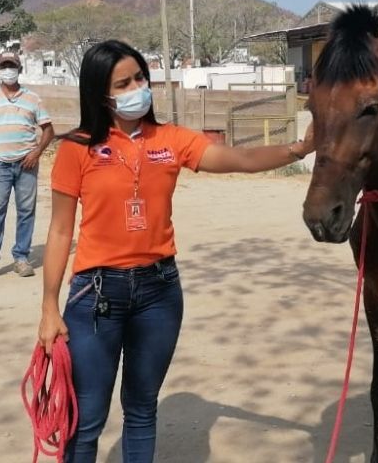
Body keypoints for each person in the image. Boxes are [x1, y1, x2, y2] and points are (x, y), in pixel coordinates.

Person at [37, 40, 313, 462]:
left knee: (142, 410)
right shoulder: (77, 148)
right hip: (96, 297)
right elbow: (59, 232)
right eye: (123, 82)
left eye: (140, 77)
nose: (136, 88)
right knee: (87, 417)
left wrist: (298, 149)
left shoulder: (170, 139)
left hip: (159, 292)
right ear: (100, 94)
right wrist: (49, 308)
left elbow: (238, 157)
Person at [0, 51, 55, 284]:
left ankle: (22, 257)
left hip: (26, 164)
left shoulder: (32, 98)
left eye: (12, 66)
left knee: (26, 212)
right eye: (4, 66)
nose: (8, 70)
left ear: (19, 69)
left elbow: (49, 130)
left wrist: (36, 152)